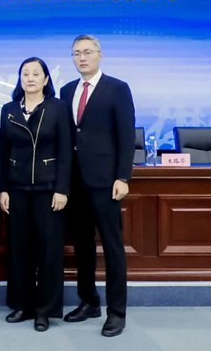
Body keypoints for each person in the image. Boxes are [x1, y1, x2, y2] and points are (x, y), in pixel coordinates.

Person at [60, 34, 134, 337]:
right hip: (75, 182)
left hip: (106, 182)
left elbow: (126, 136)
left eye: (87, 52)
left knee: (112, 247)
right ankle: (89, 301)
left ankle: (117, 312)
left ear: (99, 54)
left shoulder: (117, 88)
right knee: (82, 245)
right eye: (76, 53)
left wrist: (123, 177)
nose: (82, 58)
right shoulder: (67, 90)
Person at [0, 57, 71, 332]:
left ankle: (45, 310)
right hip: (17, 189)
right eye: (25, 74)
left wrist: (62, 188)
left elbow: (66, 151)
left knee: (49, 251)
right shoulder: (8, 109)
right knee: (20, 249)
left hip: (48, 189)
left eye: (35, 74)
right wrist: (2, 188)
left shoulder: (57, 108)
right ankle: (23, 305)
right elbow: (2, 152)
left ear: (46, 79)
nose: (30, 78)